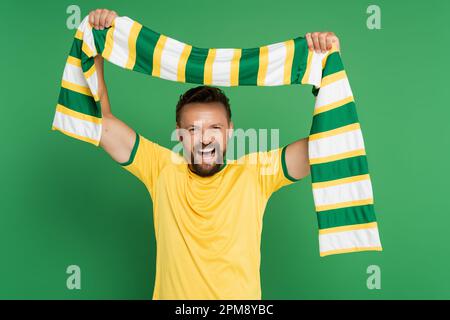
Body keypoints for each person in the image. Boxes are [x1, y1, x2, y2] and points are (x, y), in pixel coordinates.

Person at [89, 8, 341, 299]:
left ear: (230, 131)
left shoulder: (256, 174)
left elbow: (327, 144)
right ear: (179, 133)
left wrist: (328, 69)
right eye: (193, 130)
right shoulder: (159, 168)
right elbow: (101, 122)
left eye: (215, 128)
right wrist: (96, 47)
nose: (205, 139)